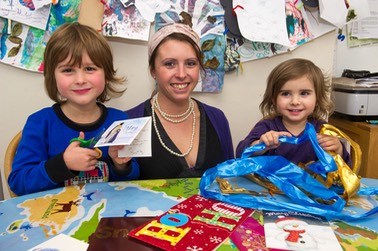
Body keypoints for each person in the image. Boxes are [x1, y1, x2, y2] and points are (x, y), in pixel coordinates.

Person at [9, 22, 139, 196]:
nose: (80, 79)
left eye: (90, 68)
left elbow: (134, 184)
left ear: (106, 75)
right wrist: (63, 163)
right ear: (52, 76)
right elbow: (18, 182)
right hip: (53, 219)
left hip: (106, 217)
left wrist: (121, 165)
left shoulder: (120, 121)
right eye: (68, 70)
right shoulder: (40, 123)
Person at [125, 23, 234, 179]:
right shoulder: (130, 122)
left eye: (190, 63)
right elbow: (120, 191)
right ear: (153, 71)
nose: (182, 74)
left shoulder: (217, 119)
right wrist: (121, 167)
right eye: (170, 64)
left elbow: (229, 181)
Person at [236, 58, 351, 167]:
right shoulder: (267, 127)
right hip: (269, 187)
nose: (295, 102)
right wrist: (260, 145)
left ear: (318, 98)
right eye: (286, 94)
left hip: (310, 187)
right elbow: (240, 153)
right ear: (273, 99)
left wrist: (338, 150)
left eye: (304, 93)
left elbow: (345, 171)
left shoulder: (324, 130)